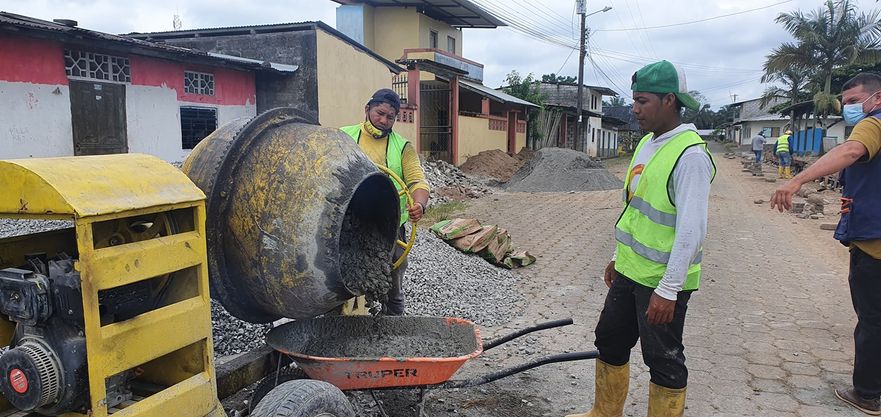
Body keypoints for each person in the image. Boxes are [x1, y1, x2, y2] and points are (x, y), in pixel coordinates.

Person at [567, 60, 715, 417]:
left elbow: (692, 230)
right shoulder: (649, 143)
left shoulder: (690, 155)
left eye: (642, 101)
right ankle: (605, 413)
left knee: (663, 360)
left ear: (669, 100)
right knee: (610, 341)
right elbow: (636, 209)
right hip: (629, 271)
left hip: (661, 282)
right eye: (634, 100)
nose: (634, 109)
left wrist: (669, 289)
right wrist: (617, 257)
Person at [771, 72, 881, 416]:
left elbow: (851, 150)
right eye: (845, 104)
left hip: (874, 247)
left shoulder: (872, 124)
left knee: (873, 321)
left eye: (854, 101)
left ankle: (868, 394)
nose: (849, 109)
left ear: (877, 98)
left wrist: (796, 181)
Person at [340, 88, 430, 316]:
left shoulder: (403, 147)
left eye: (390, 117)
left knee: (392, 284)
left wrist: (419, 205)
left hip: (388, 227)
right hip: (345, 224)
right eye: (379, 113)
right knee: (339, 278)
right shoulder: (343, 137)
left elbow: (417, 181)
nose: (383, 120)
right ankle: (338, 322)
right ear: (367, 109)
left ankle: (393, 324)